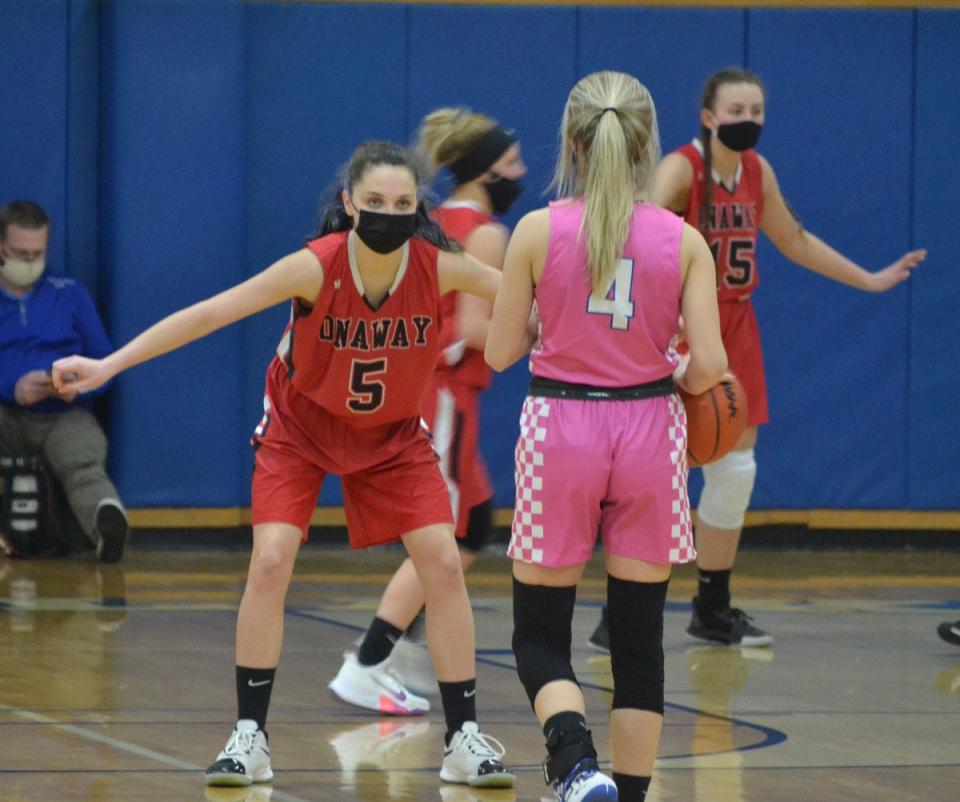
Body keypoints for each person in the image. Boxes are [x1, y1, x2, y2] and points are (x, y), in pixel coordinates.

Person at [52, 141, 515, 790]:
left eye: (403, 204)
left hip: (391, 435)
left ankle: (464, 739)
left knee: (442, 560)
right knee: (271, 559)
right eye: (376, 201)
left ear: (419, 208)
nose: (389, 213)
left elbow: (532, 293)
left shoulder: (440, 265)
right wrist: (108, 364)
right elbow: (211, 313)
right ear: (350, 203)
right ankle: (249, 739)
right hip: (300, 427)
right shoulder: (314, 267)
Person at [588, 66, 926, 651]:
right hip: (678, 327)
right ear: (709, 115)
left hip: (736, 326)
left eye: (756, 112)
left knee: (735, 472)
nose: (748, 121)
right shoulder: (680, 169)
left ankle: (712, 607)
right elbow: (629, 233)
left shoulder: (755, 172)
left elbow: (793, 239)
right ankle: (619, 612)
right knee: (656, 474)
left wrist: (869, 280)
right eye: (736, 111)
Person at [485, 71, 727, 802]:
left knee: (539, 634)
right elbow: (711, 366)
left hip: (563, 424)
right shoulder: (684, 241)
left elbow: (498, 354)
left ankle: (574, 761)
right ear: (649, 143)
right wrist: (670, 363)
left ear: (573, 144)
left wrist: (544, 325)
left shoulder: (536, 229)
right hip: (651, 426)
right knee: (638, 641)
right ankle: (626, 790)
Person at [330, 108, 526, 708]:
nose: (522, 171)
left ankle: (410, 638)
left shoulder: (434, 219)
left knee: (476, 522)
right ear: (484, 170)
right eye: (513, 161)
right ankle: (370, 659)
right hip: (443, 391)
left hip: (422, 390)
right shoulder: (487, 232)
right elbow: (476, 332)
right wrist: (550, 337)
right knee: (442, 535)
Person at [0, 200, 128, 563]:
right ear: (1, 248)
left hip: (63, 414)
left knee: (82, 459)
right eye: (20, 253)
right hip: (5, 414)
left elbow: (105, 365)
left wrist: (77, 383)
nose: (29, 262)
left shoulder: (69, 293)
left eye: (37, 254)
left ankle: (106, 522)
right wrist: (13, 386)